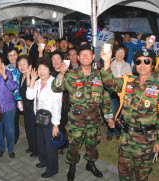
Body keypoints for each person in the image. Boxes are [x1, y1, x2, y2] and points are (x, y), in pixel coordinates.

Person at [101, 49, 159, 181]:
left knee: (142, 174)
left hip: (146, 140)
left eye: (146, 61)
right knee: (124, 172)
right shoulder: (128, 81)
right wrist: (106, 62)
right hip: (126, 137)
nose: (142, 65)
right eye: (138, 62)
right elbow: (110, 84)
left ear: (152, 64)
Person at [52, 44, 114, 180]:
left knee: (93, 144)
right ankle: (72, 167)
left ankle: (91, 164)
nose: (85, 57)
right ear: (78, 58)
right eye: (82, 54)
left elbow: (105, 98)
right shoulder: (71, 74)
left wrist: (109, 118)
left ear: (93, 57)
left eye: (88, 54)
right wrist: (61, 73)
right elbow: (56, 88)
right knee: (74, 145)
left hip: (94, 119)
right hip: (76, 119)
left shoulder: (100, 75)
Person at [26, 57, 62, 178]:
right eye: (40, 68)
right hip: (39, 118)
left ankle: (52, 169)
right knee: (40, 143)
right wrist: (32, 80)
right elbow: (30, 97)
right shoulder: (36, 82)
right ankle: (44, 161)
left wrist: (56, 125)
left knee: (50, 146)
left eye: (44, 69)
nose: (42, 71)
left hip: (51, 120)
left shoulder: (54, 83)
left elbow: (57, 105)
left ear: (50, 70)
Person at [106, 44, 132, 141]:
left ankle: (117, 131)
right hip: (112, 93)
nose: (120, 54)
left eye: (123, 52)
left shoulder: (127, 65)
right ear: (114, 53)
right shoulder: (109, 64)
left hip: (123, 94)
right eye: (118, 52)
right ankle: (110, 131)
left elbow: (130, 79)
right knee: (112, 112)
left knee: (120, 114)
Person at [17, 55, 37, 157]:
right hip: (26, 108)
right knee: (28, 128)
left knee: (33, 129)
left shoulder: (31, 76)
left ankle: (36, 150)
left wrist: (29, 75)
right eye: (19, 64)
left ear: (30, 65)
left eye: (24, 64)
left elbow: (30, 91)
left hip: (32, 108)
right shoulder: (22, 75)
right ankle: (31, 146)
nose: (22, 66)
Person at [6, 47, 22, 144]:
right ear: (7, 57)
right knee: (13, 120)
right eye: (10, 55)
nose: (12, 57)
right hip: (11, 99)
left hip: (24, 97)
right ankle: (14, 138)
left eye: (14, 54)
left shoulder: (23, 65)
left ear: (18, 55)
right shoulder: (6, 69)